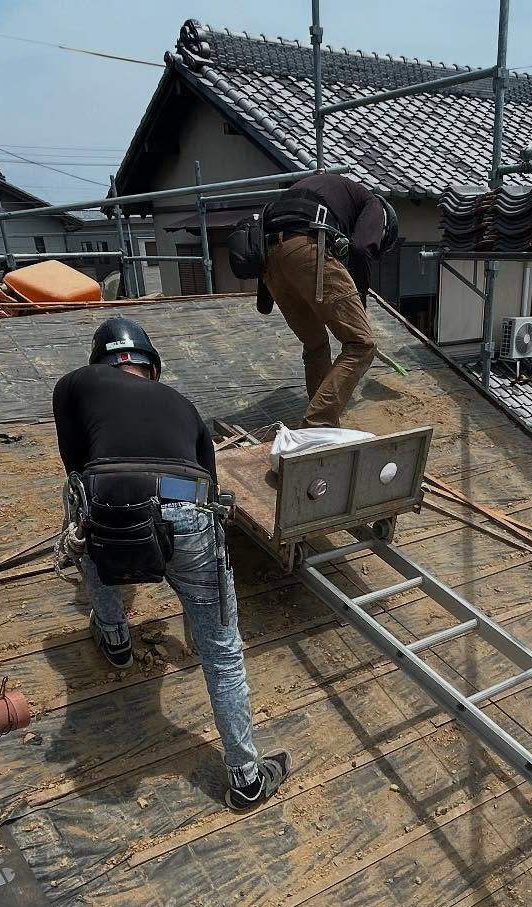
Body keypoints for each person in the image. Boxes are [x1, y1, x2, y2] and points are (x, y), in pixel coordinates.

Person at [51, 316, 290, 812]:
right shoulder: (184, 405)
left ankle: (115, 638)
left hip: (113, 499)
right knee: (222, 653)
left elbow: (76, 467)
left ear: (101, 361)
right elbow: (209, 483)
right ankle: (246, 778)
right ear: (152, 368)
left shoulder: (75, 383)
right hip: (191, 509)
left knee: (88, 517)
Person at [254, 173, 396, 428]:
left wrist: (265, 298)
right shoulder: (374, 204)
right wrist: (359, 303)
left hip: (269, 260)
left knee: (316, 344)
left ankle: (319, 420)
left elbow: (280, 229)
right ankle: (318, 424)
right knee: (361, 344)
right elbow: (360, 248)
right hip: (308, 246)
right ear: (384, 227)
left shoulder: (325, 189)